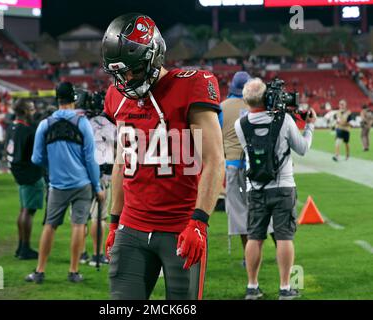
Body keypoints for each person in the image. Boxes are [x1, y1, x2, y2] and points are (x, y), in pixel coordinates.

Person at [102, 13, 224, 300]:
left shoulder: (191, 85)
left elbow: (215, 160)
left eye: (133, 69)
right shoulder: (115, 96)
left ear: (155, 57)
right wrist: (113, 221)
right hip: (131, 227)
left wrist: (199, 222)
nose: (127, 79)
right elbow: (122, 161)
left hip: (180, 227)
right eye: (120, 72)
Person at [234, 78, 316, 300]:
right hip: (283, 187)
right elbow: (303, 149)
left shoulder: (239, 125)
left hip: (256, 188)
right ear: (267, 97)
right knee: (284, 237)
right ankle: (285, 287)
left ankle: (252, 287)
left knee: (254, 237)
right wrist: (309, 126)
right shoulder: (284, 121)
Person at [25, 82, 104, 284]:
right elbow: (91, 159)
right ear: (73, 99)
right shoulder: (82, 123)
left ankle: (40, 271)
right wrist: (97, 187)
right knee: (78, 225)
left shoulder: (45, 124)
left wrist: (52, 164)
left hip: (57, 185)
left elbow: (36, 158)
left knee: (49, 226)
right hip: (82, 184)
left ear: (56, 99)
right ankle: (73, 271)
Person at [221, 72, 275, 268]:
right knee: (266, 206)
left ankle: (247, 256)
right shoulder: (260, 106)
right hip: (260, 165)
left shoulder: (222, 107)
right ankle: (281, 247)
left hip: (233, 165)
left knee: (239, 212)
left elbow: (216, 138)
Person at [80, 92, 116, 267]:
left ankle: (81, 254)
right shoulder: (109, 124)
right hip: (102, 174)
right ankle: (97, 254)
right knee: (99, 218)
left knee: (81, 218)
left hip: (81, 175)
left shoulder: (80, 123)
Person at [6, 99, 44, 260]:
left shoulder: (12, 127)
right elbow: (35, 154)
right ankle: (25, 248)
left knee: (24, 209)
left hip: (19, 173)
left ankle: (21, 246)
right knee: (28, 211)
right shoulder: (27, 130)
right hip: (30, 174)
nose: (34, 112)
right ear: (25, 111)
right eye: (31, 109)